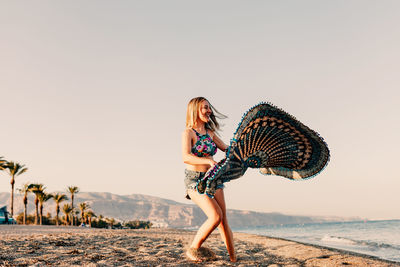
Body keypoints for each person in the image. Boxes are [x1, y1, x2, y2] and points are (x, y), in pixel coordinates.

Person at [181, 97, 236, 262]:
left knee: (223, 220)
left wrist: (239, 150)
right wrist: (208, 161)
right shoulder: (188, 132)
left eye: (209, 108)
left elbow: (227, 149)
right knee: (215, 216)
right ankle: (194, 248)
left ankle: (233, 258)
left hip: (213, 178)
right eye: (205, 108)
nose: (209, 111)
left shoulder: (210, 134)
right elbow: (186, 157)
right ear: (195, 110)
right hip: (195, 180)